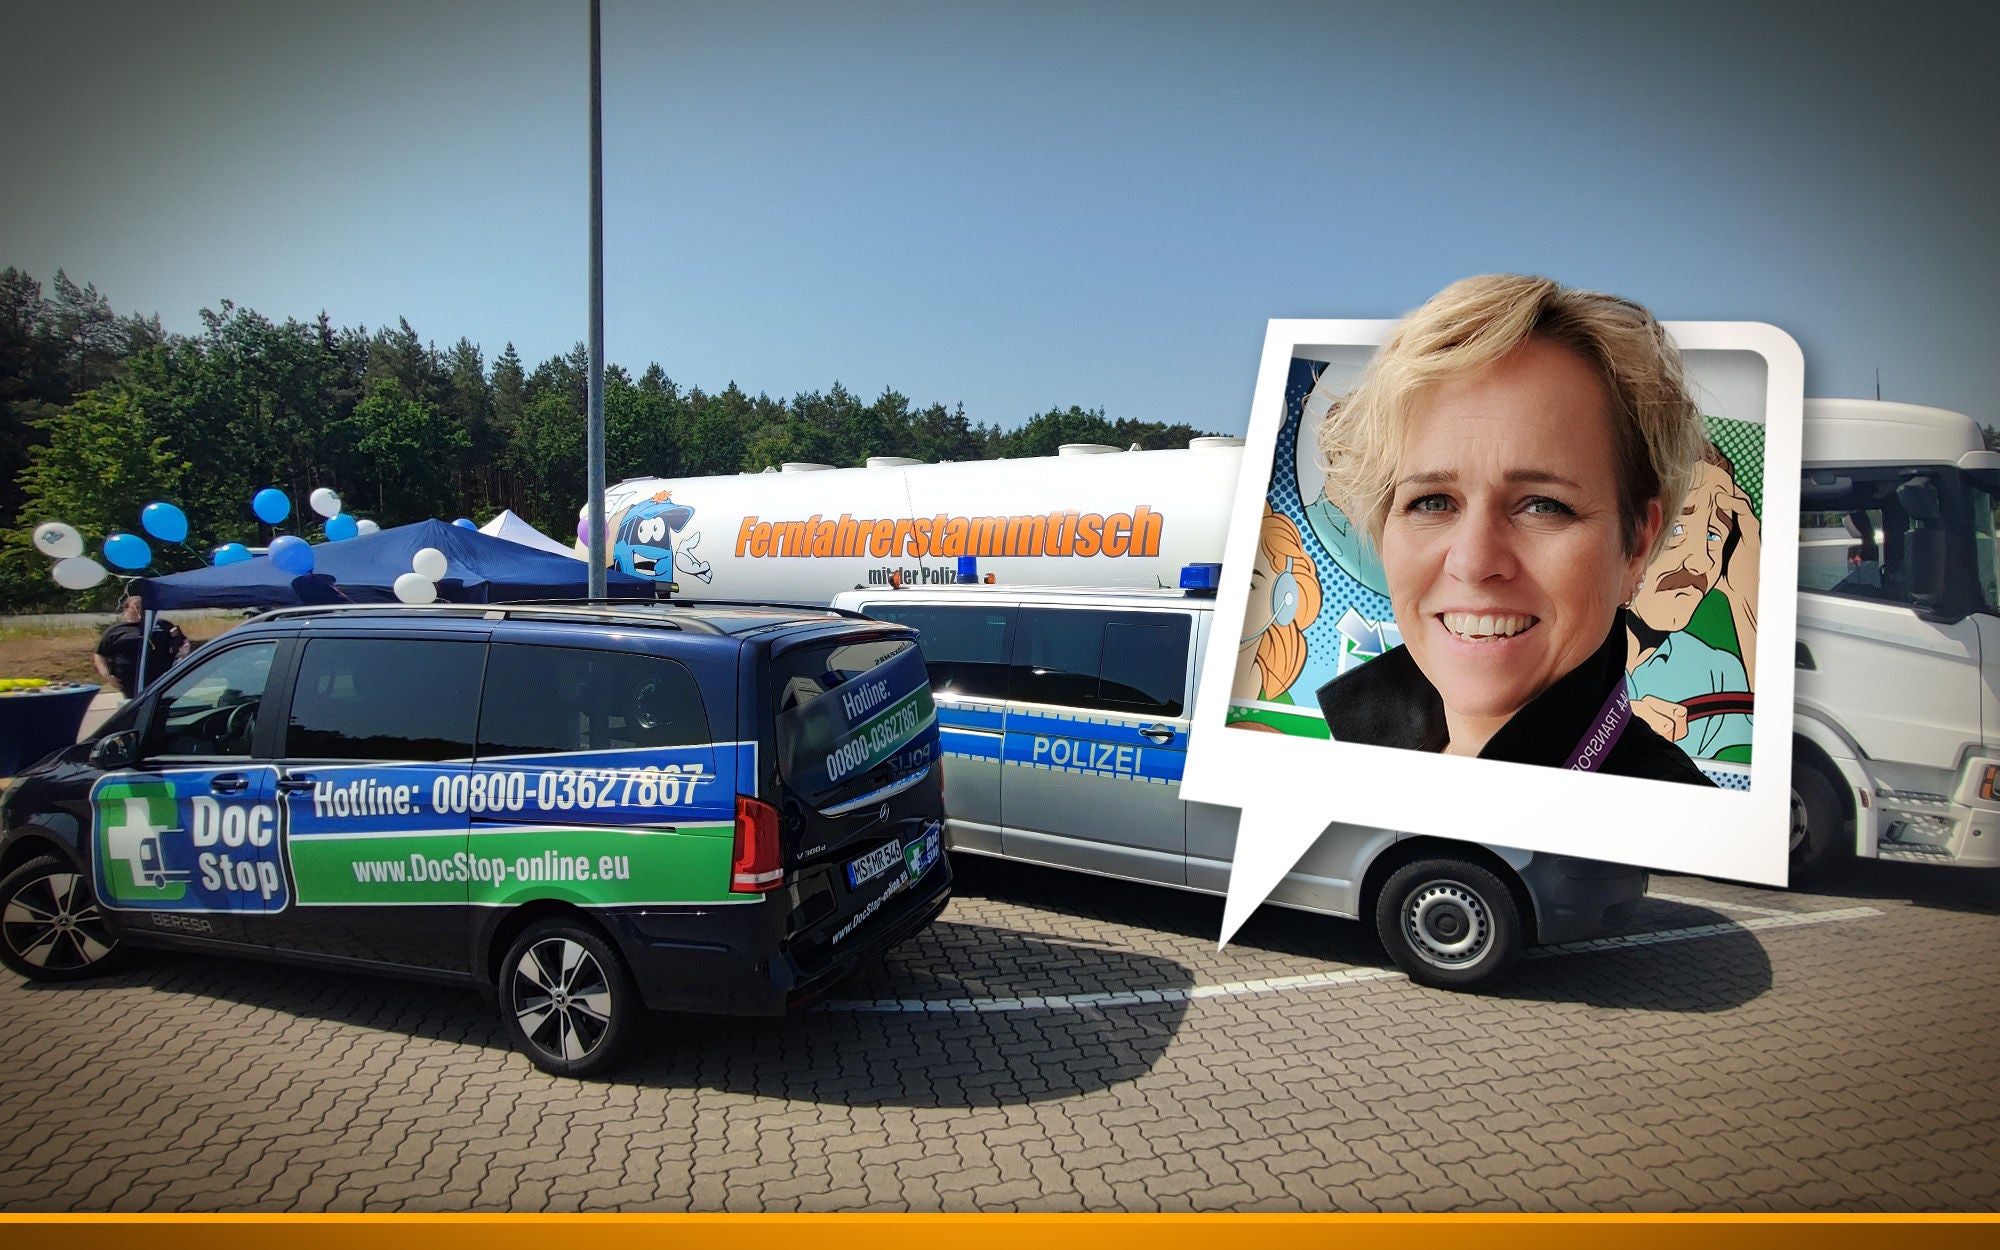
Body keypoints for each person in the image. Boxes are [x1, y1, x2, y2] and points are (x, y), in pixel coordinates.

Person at [1311, 274, 1714, 785]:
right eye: (1432, 502)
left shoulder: (1683, 846)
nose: (1474, 561)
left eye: (1544, 506)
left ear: (1635, 545)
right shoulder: (1343, 771)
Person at [1625, 441, 1758, 761]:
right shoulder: (1569, 649)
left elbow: (1771, 735)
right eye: (1677, 528)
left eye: (1714, 535)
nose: (1700, 562)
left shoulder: (1719, 672)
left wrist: (1746, 591)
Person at [93, 595, 191, 699]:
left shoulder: (161, 625)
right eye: (136, 607)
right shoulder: (116, 631)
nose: (140, 610)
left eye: (144, 607)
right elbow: (100, 655)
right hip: (131, 683)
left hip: (162, 679)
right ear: (126, 608)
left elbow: (182, 642)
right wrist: (107, 676)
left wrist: (182, 653)